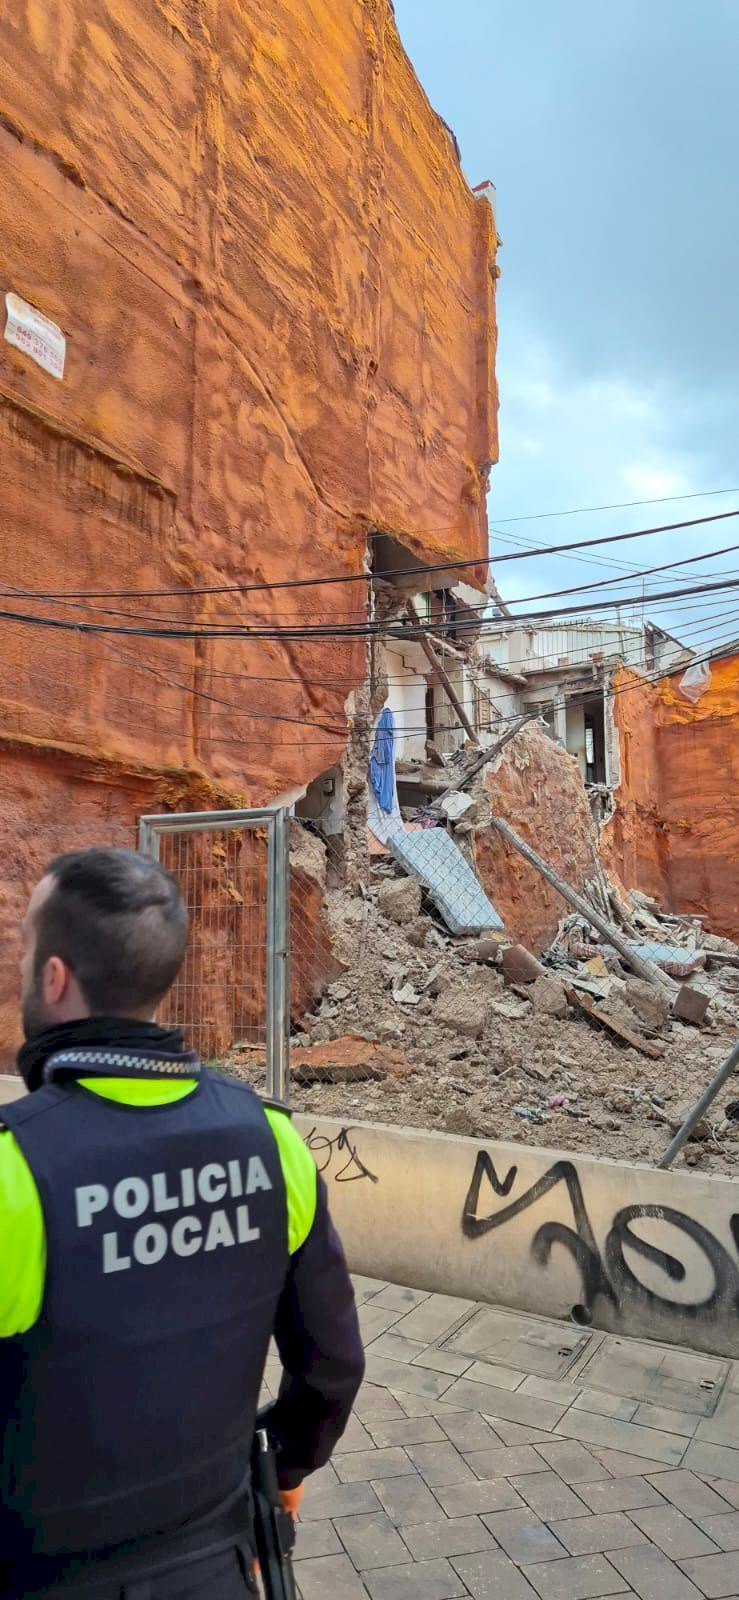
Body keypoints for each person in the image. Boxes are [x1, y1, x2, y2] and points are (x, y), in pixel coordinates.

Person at [0, 848, 365, 1599]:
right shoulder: (272, 1143)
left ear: (54, 977)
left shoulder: (15, 1171)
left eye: (27, 951)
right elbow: (332, 1364)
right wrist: (284, 1469)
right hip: (217, 1565)